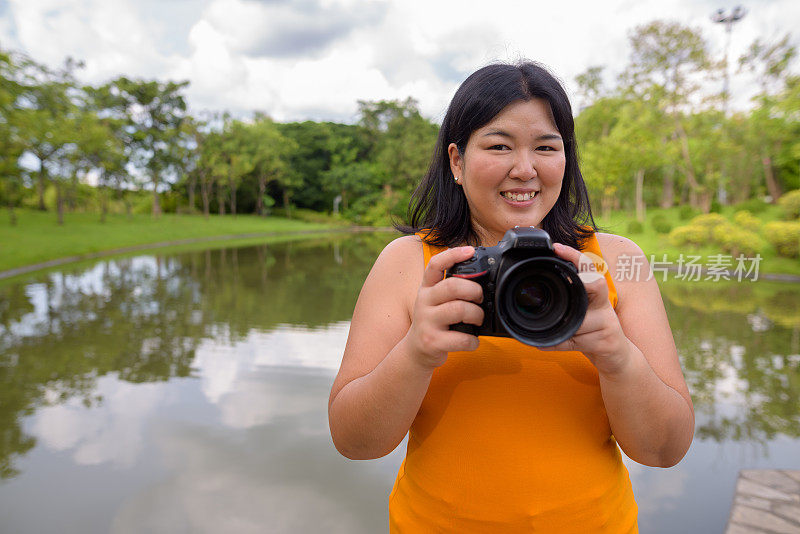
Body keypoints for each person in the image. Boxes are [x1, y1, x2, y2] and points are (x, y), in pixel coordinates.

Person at [328, 61, 694, 533]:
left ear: (567, 158)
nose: (524, 169)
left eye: (546, 147)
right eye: (499, 146)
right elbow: (355, 442)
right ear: (457, 162)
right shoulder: (408, 263)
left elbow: (664, 452)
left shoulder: (615, 263)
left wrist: (617, 356)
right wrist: (416, 352)